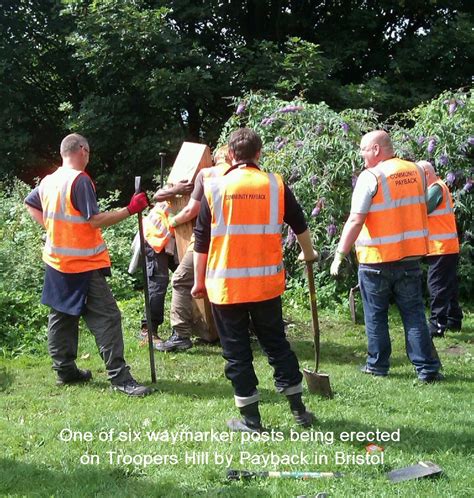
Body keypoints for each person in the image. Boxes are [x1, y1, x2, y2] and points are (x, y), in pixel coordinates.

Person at [192, 128, 318, 432]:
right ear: (259, 154)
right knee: (276, 344)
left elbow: (201, 240)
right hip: (265, 285)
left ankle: (251, 420)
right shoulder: (274, 184)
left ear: (230, 155)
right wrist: (309, 253)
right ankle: (299, 410)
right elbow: (299, 222)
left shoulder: (215, 187)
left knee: (236, 352)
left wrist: (198, 282)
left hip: (226, 287)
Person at [24, 133, 152, 396]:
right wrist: (130, 209)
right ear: (82, 149)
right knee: (107, 318)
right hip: (82, 263)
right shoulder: (79, 180)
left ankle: (65, 371)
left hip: (56, 261)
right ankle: (120, 378)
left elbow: (30, 203)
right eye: (88, 152)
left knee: (61, 317)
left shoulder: (50, 180)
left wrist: (51, 230)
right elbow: (93, 221)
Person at [330, 130, 442, 382]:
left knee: (375, 315)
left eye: (363, 149)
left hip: (376, 260)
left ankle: (378, 366)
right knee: (414, 314)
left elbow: (356, 219)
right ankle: (426, 369)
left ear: (376, 150)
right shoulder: (416, 171)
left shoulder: (371, 176)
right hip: (409, 258)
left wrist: (339, 254)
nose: (360, 154)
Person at [155, 145, 232, 352]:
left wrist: (173, 220)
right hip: (234, 240)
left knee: (181, 279)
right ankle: (233, 332)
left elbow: (192, 209)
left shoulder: (207, 174)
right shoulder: (242, 176)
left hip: (206, 238)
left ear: (216, 159)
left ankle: (180, 335)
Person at [134, 180, 193, 347]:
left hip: (171, 242)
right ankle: (148, 330)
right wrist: (178, 189)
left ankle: (191, 325)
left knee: (186, 278)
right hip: (155, 238)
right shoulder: (180, 181)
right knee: (158, 283)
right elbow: (157, 195)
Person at [417, 160, 463, 338]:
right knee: (448, 285)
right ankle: (454, 319)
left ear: (426, 175)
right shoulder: (439, 186)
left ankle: (437, 325)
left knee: (436, 286)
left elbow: (421, 210)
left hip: (441, 248)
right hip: (446, 247)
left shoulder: (435, 189)